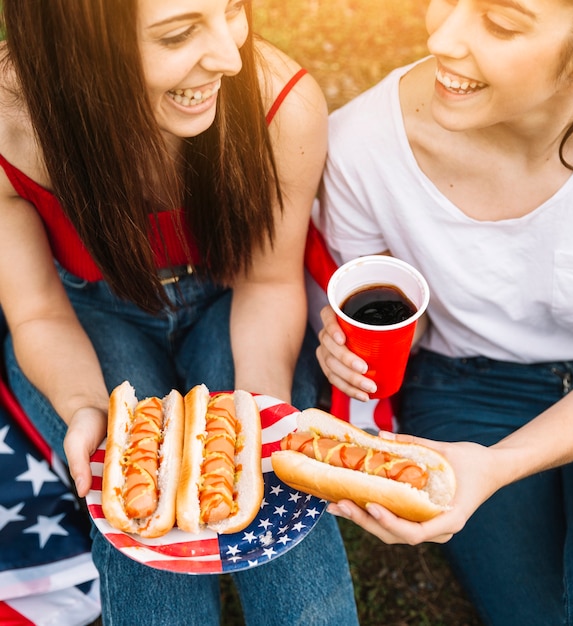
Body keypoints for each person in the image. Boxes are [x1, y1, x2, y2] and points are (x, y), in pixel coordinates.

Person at [0, 1, 359, 625]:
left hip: (236, 298)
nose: (230, 54)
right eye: (178, 33)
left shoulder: (281, 104)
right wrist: (85, 407)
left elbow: (270, 282)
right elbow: (36, 314)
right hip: (88, 315)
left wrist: (262, 420)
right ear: (77, 47)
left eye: (233, 9)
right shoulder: (9, 124)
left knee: (274, 495)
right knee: (137, 530)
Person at [313, 0, 573, 624]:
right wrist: (363, 348)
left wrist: (499, 467)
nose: (444, 36)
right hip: (466, 384)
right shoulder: (359, 147)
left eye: (500, 23)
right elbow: (405, 314)